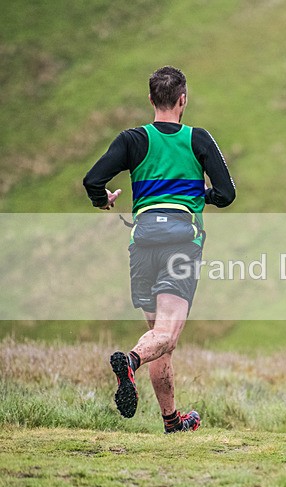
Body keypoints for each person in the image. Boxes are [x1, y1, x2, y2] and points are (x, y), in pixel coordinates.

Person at [83, 66, 236, 433]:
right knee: (165, 336)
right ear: (183, 100)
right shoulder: (197, 139)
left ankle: (172, 421)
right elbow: (227, 194)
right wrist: (201, 196)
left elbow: (93, 180)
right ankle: (130, 361)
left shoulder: (133, 139)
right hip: (181, 244)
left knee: (158, 337)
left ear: (151, 99)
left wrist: (102, 199)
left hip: (143, 244)